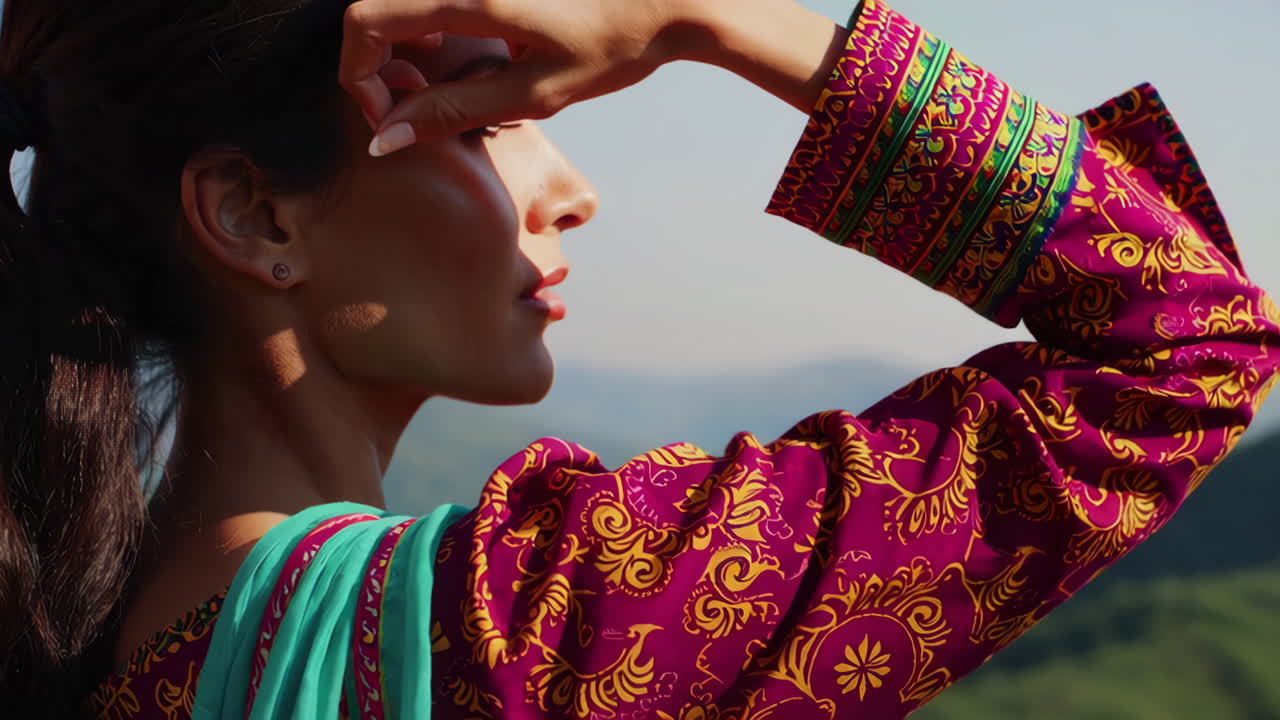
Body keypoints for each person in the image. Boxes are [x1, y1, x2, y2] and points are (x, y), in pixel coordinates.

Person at [0, 0, 1273, 716]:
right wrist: (708, 19)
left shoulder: (89, 643)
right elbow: (1188, 344)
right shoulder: (518, 632)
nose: (573, 192)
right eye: (489, 121)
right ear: (255, 216)